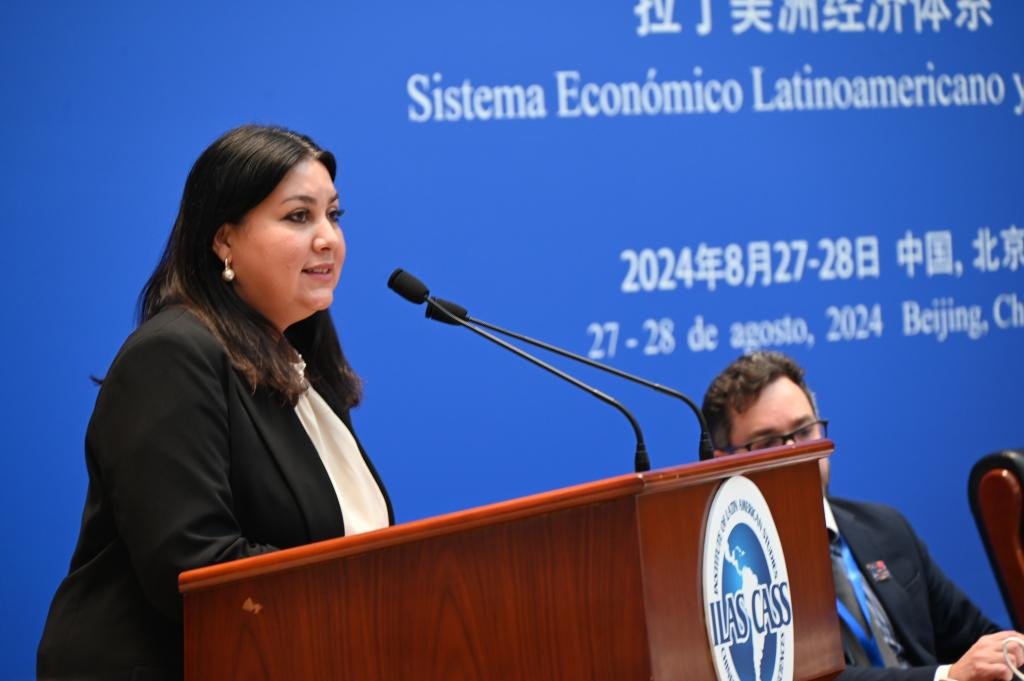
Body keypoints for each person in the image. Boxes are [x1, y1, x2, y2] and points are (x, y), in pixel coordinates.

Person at [37, 125, 393, 681]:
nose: (328, 238)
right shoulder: (172, 354)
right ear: (224, 240)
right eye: (299, 216)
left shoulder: (300, 364)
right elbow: (192, 568)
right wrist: (359, 601)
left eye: (334, 215)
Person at [702, 351, 1023, 681]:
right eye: (767, 442)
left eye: (804, 431)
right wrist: (947, 677)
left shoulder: (886, 529)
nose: (794, 452)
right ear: (722, 462)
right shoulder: (735, 576)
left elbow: (979, 637)